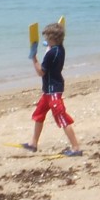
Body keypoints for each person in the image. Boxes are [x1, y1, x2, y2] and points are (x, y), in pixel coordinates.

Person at [21, 22, 82, 157]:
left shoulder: (50, 54)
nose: (46, 40)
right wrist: (47, 46)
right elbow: (51, 50)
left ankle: (76, 148)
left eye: (47, 38)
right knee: (39, 115)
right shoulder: (60, 49)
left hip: (53, 91)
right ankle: (33, 143)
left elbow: (41, 72)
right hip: (49, 91)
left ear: (53, 38)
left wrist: (34, 57)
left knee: (62, 118)